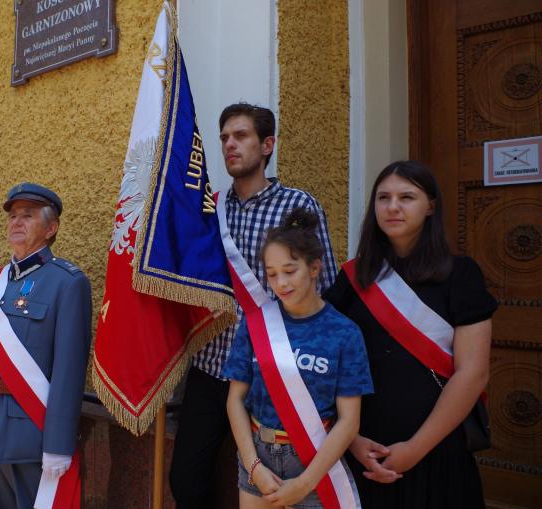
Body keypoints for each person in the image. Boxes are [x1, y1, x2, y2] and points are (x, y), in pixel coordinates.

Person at [169, 103, 338, 509]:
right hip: (212, 364)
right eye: (225, 137)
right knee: (186, 479)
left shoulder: (298, 207)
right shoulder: (209, 209)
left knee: (271, 485)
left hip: (273, 367)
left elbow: (326, 286)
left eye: (241, 136)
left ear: (267, 145)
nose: (230, 144)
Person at [324, 160, 497, 508]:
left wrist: (414, 450)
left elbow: (473, 372)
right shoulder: (353, 278)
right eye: (383, 197)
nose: (392, 207)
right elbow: (325, 361)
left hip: (437, 451)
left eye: (407, 197)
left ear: (430, 205)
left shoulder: (461, 274)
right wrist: (351, 439)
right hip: (363, 451)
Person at [224, 208, 372, 508]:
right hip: (257, 457)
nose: (281, 284)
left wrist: (305, 483)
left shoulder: (345, 333)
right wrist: (254, 467)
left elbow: (349, 421)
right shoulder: (255, 326)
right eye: (272, 274)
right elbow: (235, 400)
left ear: (315, 268)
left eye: (290, 271)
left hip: (316, 462)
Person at [0, 183, 92, 509]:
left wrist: (58, 444)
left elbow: (69, 371)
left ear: (51, 228)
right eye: (13, 216)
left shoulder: (68, 282)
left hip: (31, 433)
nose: (16, 222)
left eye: (28, 216)